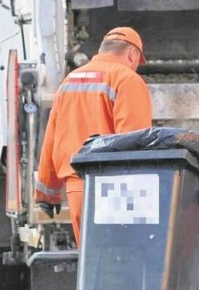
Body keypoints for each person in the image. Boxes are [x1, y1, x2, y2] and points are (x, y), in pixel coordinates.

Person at [34, 27, 153, 247]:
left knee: (92, 266)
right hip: (116, 189)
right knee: (122, 264)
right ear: (132, 54)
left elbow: (51, 137)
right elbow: (134, 142)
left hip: (77, 188)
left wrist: (47, 193)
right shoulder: (126, 80)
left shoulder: (70, 81)